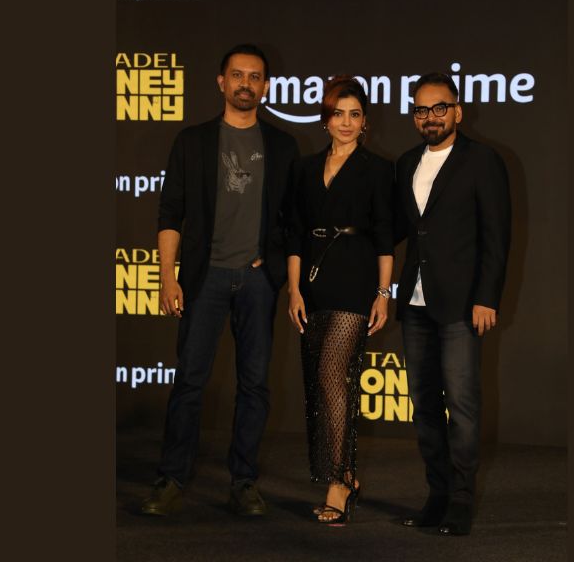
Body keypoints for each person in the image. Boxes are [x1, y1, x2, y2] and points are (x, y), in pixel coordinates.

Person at [140, 44, 300, 517]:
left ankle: (243, 481)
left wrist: (278, 274)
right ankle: (171, 478)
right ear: (221, 82)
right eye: (237, 75)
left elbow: (293, 220)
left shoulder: (283, 146)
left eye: (254, 77)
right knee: (190, 382)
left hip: (257, 281)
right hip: (203, 279)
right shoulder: (192, 142)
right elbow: (170, 213)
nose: (245, 84)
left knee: (254, 386)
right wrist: (167, 277)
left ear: (266, 86)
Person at [394, 72, 511, 536]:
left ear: (457, 111)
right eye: (422, 110)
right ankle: (437, 495)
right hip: (415, 303)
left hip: (463, 305)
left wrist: (486, 298)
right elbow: (401, 230)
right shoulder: (406, 163)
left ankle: (461, 501)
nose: (431, 117)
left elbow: (497, 236)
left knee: (461, 405)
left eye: (439, 108)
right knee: (424, 407)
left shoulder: (482, 161)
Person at [286, 75, 394, 524]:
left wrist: (383, 293)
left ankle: (339, 482)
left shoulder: (378, 169)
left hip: (356, 280)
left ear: (365, 121)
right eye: (338, 114)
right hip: (313, 283)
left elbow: (385, 237)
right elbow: (294, 233)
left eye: (355, 115)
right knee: (319, 381)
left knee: (332, 373)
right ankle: (343, 471)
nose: (346, 122)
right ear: (325, 119)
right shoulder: (304, 168)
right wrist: (293, 289)